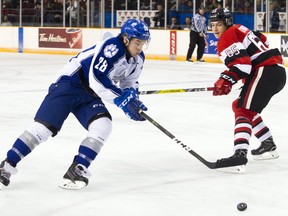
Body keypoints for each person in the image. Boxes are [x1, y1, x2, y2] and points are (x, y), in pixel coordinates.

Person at [0, 19, 151, 189]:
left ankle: (77, 169)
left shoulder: (138, 59)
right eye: (137, 42)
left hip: (89, 94)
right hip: (69, 84)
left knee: (103, 125)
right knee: (43, 129)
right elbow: (97, 79)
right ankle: (6, 166)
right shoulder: (112, 48)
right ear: (125, 38)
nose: (140, 47)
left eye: (143, 43)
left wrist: (132, 98)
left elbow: (129, 83)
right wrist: (122, 100)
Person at [210, 8, 286, 172]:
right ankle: (267, 143)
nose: (215, 29)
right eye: (213, 25)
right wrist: (229, 78)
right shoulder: (240, 29)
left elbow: (242, 65)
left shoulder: (228, 35)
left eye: (219, 25)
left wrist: (226, 79)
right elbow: (261, 38)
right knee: (240, 105)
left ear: (227, 24)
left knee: (243, 110)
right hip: (276, 71)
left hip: (265, 71)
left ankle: (239, 154)